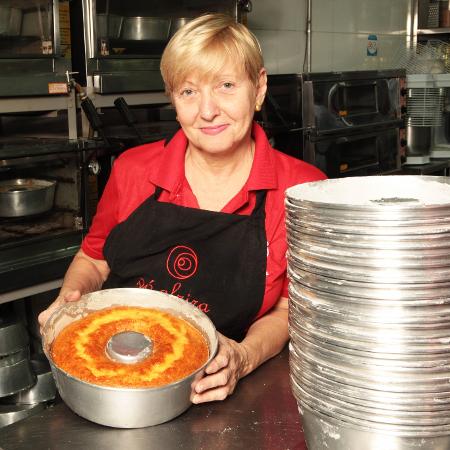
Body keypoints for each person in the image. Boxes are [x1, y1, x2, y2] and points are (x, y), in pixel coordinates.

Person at [38, 13, 326, 404]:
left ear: (258, 89)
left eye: (226, 86)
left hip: (225, 390)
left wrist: (242, 358)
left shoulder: (304, 191)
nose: (207, 111)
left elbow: (289, 307)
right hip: (112, 376)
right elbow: (94, 258)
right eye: (188, 92)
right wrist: (70, 299)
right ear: (172, 98)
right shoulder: (133, 170)